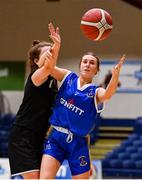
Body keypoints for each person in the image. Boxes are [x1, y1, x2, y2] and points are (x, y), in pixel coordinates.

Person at [39, 22, 126, 179]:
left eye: (92, 63)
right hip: (56, 137)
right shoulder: (68, 77)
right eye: (85, 61)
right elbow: (49, 68)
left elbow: (108, 94)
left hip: (78, 143)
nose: (87, 64)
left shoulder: (95, 92)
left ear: (96, 70)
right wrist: (56, 45)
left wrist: (115, 76)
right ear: (80, 65)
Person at [8, 24, 61, 179]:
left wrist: (55, 46)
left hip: (39, 136)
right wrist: (57, 45)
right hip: (22, 136)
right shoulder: (36, 76)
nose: (51, 54)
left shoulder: (53, 77)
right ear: (36, 60)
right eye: (47, 53)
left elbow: (52, 65)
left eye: (52, 52)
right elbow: (48, 66)